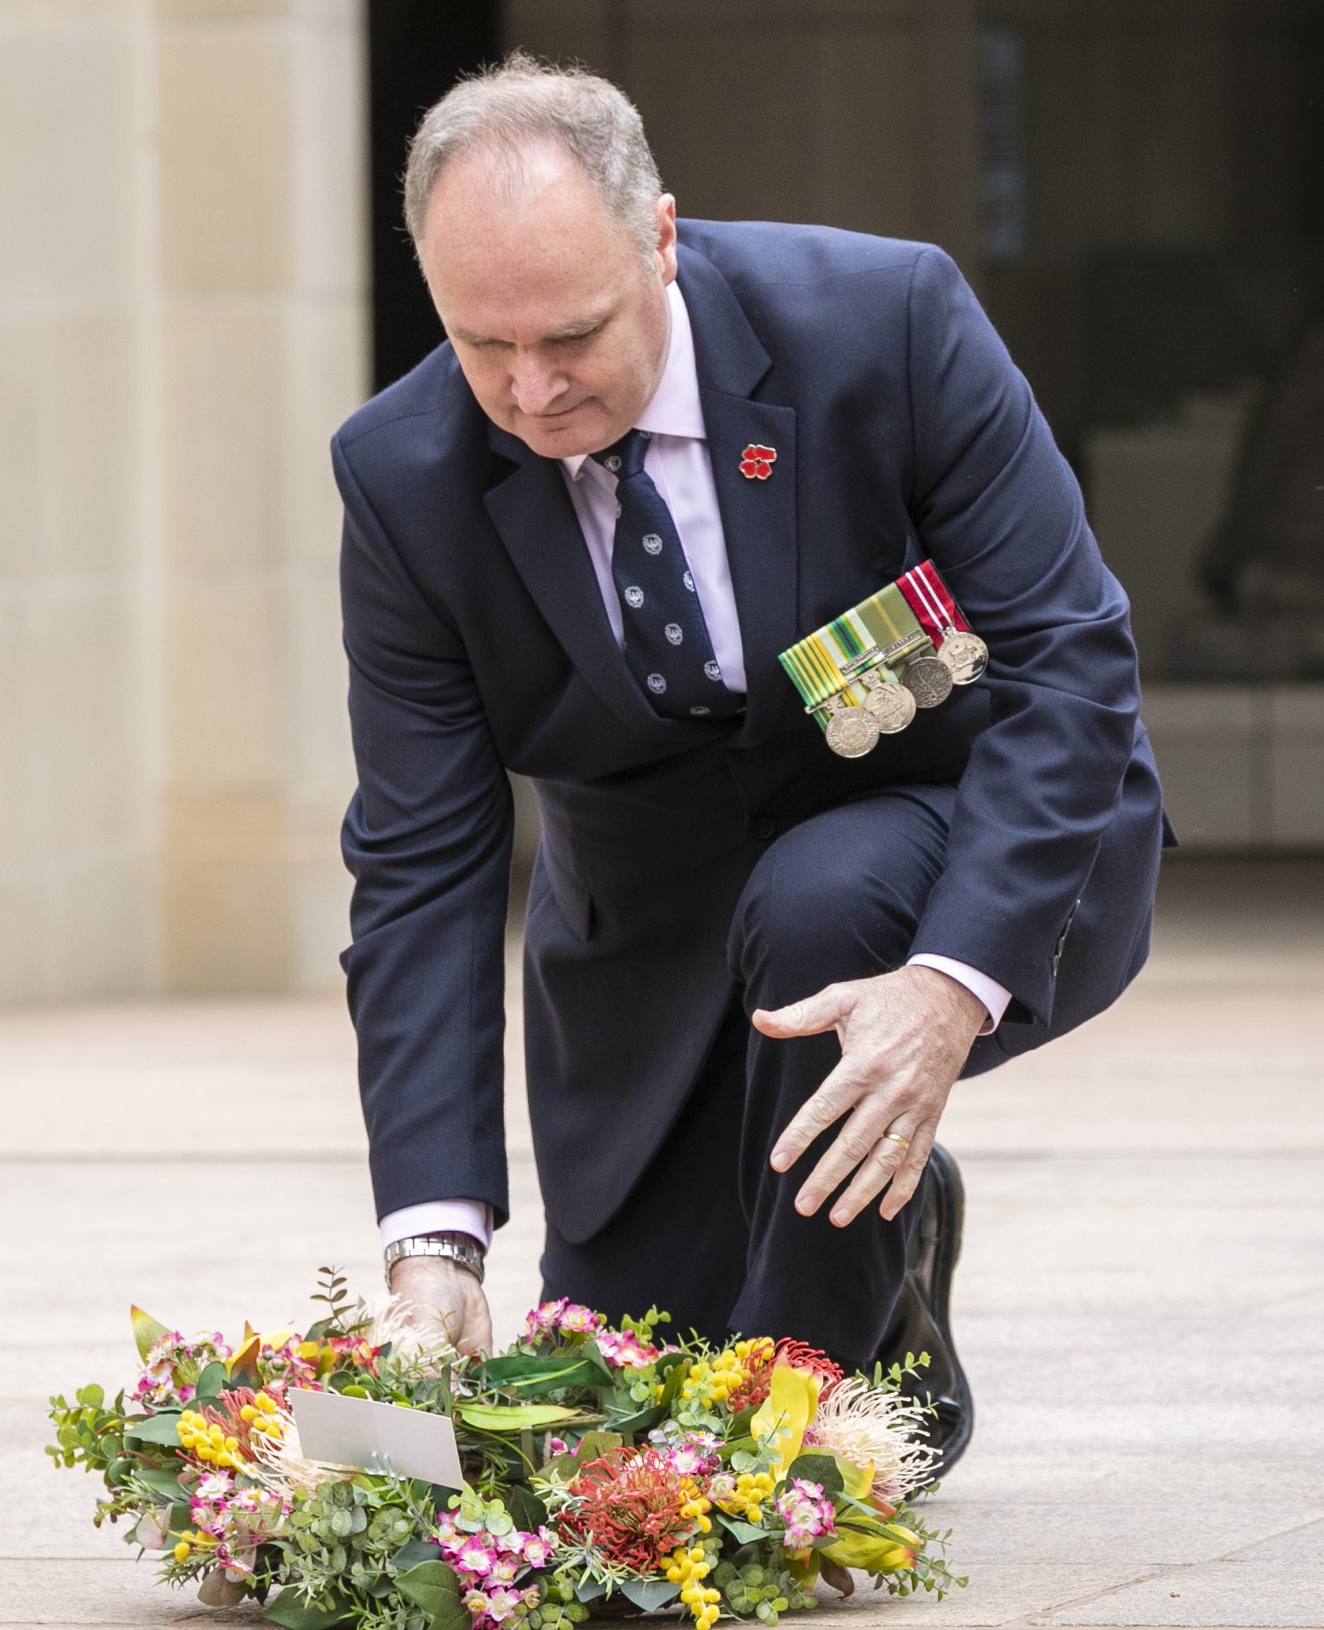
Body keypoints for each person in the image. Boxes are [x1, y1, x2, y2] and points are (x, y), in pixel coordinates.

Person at [334, 55, 1168, 1474]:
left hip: (956, 847)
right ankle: (882, 1247)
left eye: (573, 335)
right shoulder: (400, 476)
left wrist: (949, 983)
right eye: (484, 345)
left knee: (713, 1450)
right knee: (598, 1397)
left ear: (660, 236)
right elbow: (420, 863)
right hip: (652, 929)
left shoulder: (883, 322)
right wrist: (432, 1242)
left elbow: (1066, 657)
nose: (530, 392)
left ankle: (802, 1425)